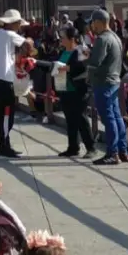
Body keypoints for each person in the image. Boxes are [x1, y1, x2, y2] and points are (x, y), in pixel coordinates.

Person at [87, 9, 127, 165]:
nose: (92, 26)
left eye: (93, 23)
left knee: (108, 118)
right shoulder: (115, 38)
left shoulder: (102, 39)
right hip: (114, 81)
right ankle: (123, 150)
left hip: (103, 82)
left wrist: (86, 57)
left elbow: (95, 62)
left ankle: (112, 153)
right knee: (117, 117)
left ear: (98, 22)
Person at [0, 9, 31, 158]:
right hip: (5, 80)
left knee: (1, 115)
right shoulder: (10, 35)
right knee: (8, 115)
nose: (20, 26)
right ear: (13, 23)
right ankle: (4, 146)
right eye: (19, 23)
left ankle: (3, 143)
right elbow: (29, 46)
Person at [52, 27, 96, 159]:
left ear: (72, 39)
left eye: (63, 37)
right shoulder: (63, 51)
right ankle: (73, 147)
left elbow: (85, 66)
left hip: (78, 89)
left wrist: (68, 68)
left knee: (81, 118)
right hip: (64, 88)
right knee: (70, 119)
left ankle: (91, 147)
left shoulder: (81, 50)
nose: (61, 40)